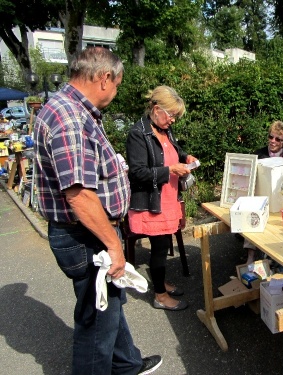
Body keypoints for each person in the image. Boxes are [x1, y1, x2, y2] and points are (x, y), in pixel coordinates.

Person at [33, 47, 162, 375]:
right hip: (87, 235)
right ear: (105, 78)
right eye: (117, 84)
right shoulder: (69, 117)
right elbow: (79, 195)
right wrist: (114, 245)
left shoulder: (72, 109)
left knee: (109, 305)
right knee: (96, 326)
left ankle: (128, 365)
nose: (116, 92)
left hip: (90, 233)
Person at [126, 86, 197, 311]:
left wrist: (186, 157)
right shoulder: (138, 133)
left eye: (176, 116)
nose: (173, 120)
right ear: (156, 109)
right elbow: (137, 172)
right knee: (159, 247)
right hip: (151, 202)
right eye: (171, 115)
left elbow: (173, 150)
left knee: (163, 245)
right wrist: (170, 171)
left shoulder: (164, 130)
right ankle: (160, 296)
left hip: (168, 198)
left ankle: (160, 283)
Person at [244, 120, 283, 263]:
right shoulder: (258, 154)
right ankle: (250, 256)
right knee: (252, 219)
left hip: (281, 202)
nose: (272, 141)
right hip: (259, 199)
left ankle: (280, 258)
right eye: (271, 137)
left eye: (277, 139)